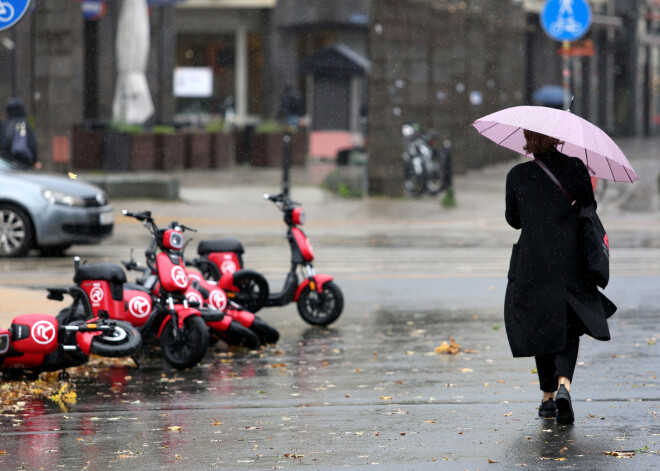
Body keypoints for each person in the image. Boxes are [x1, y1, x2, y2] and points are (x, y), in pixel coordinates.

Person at [504, 129, 616, 424]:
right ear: (557, 138)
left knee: (543, 322)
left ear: (527, 139)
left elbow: (513, 219)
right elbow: (589, 207)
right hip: (570, 258)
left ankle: (547, 397)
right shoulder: (576, 167)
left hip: (533, 260)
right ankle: (564, 384)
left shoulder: (517, 175)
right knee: (568, 324)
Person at [0, 98, 40, 169]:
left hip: (5, 163)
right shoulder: (23, 123)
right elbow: (31, 143)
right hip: (23, 162)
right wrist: (35, 160)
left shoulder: (4, 124)